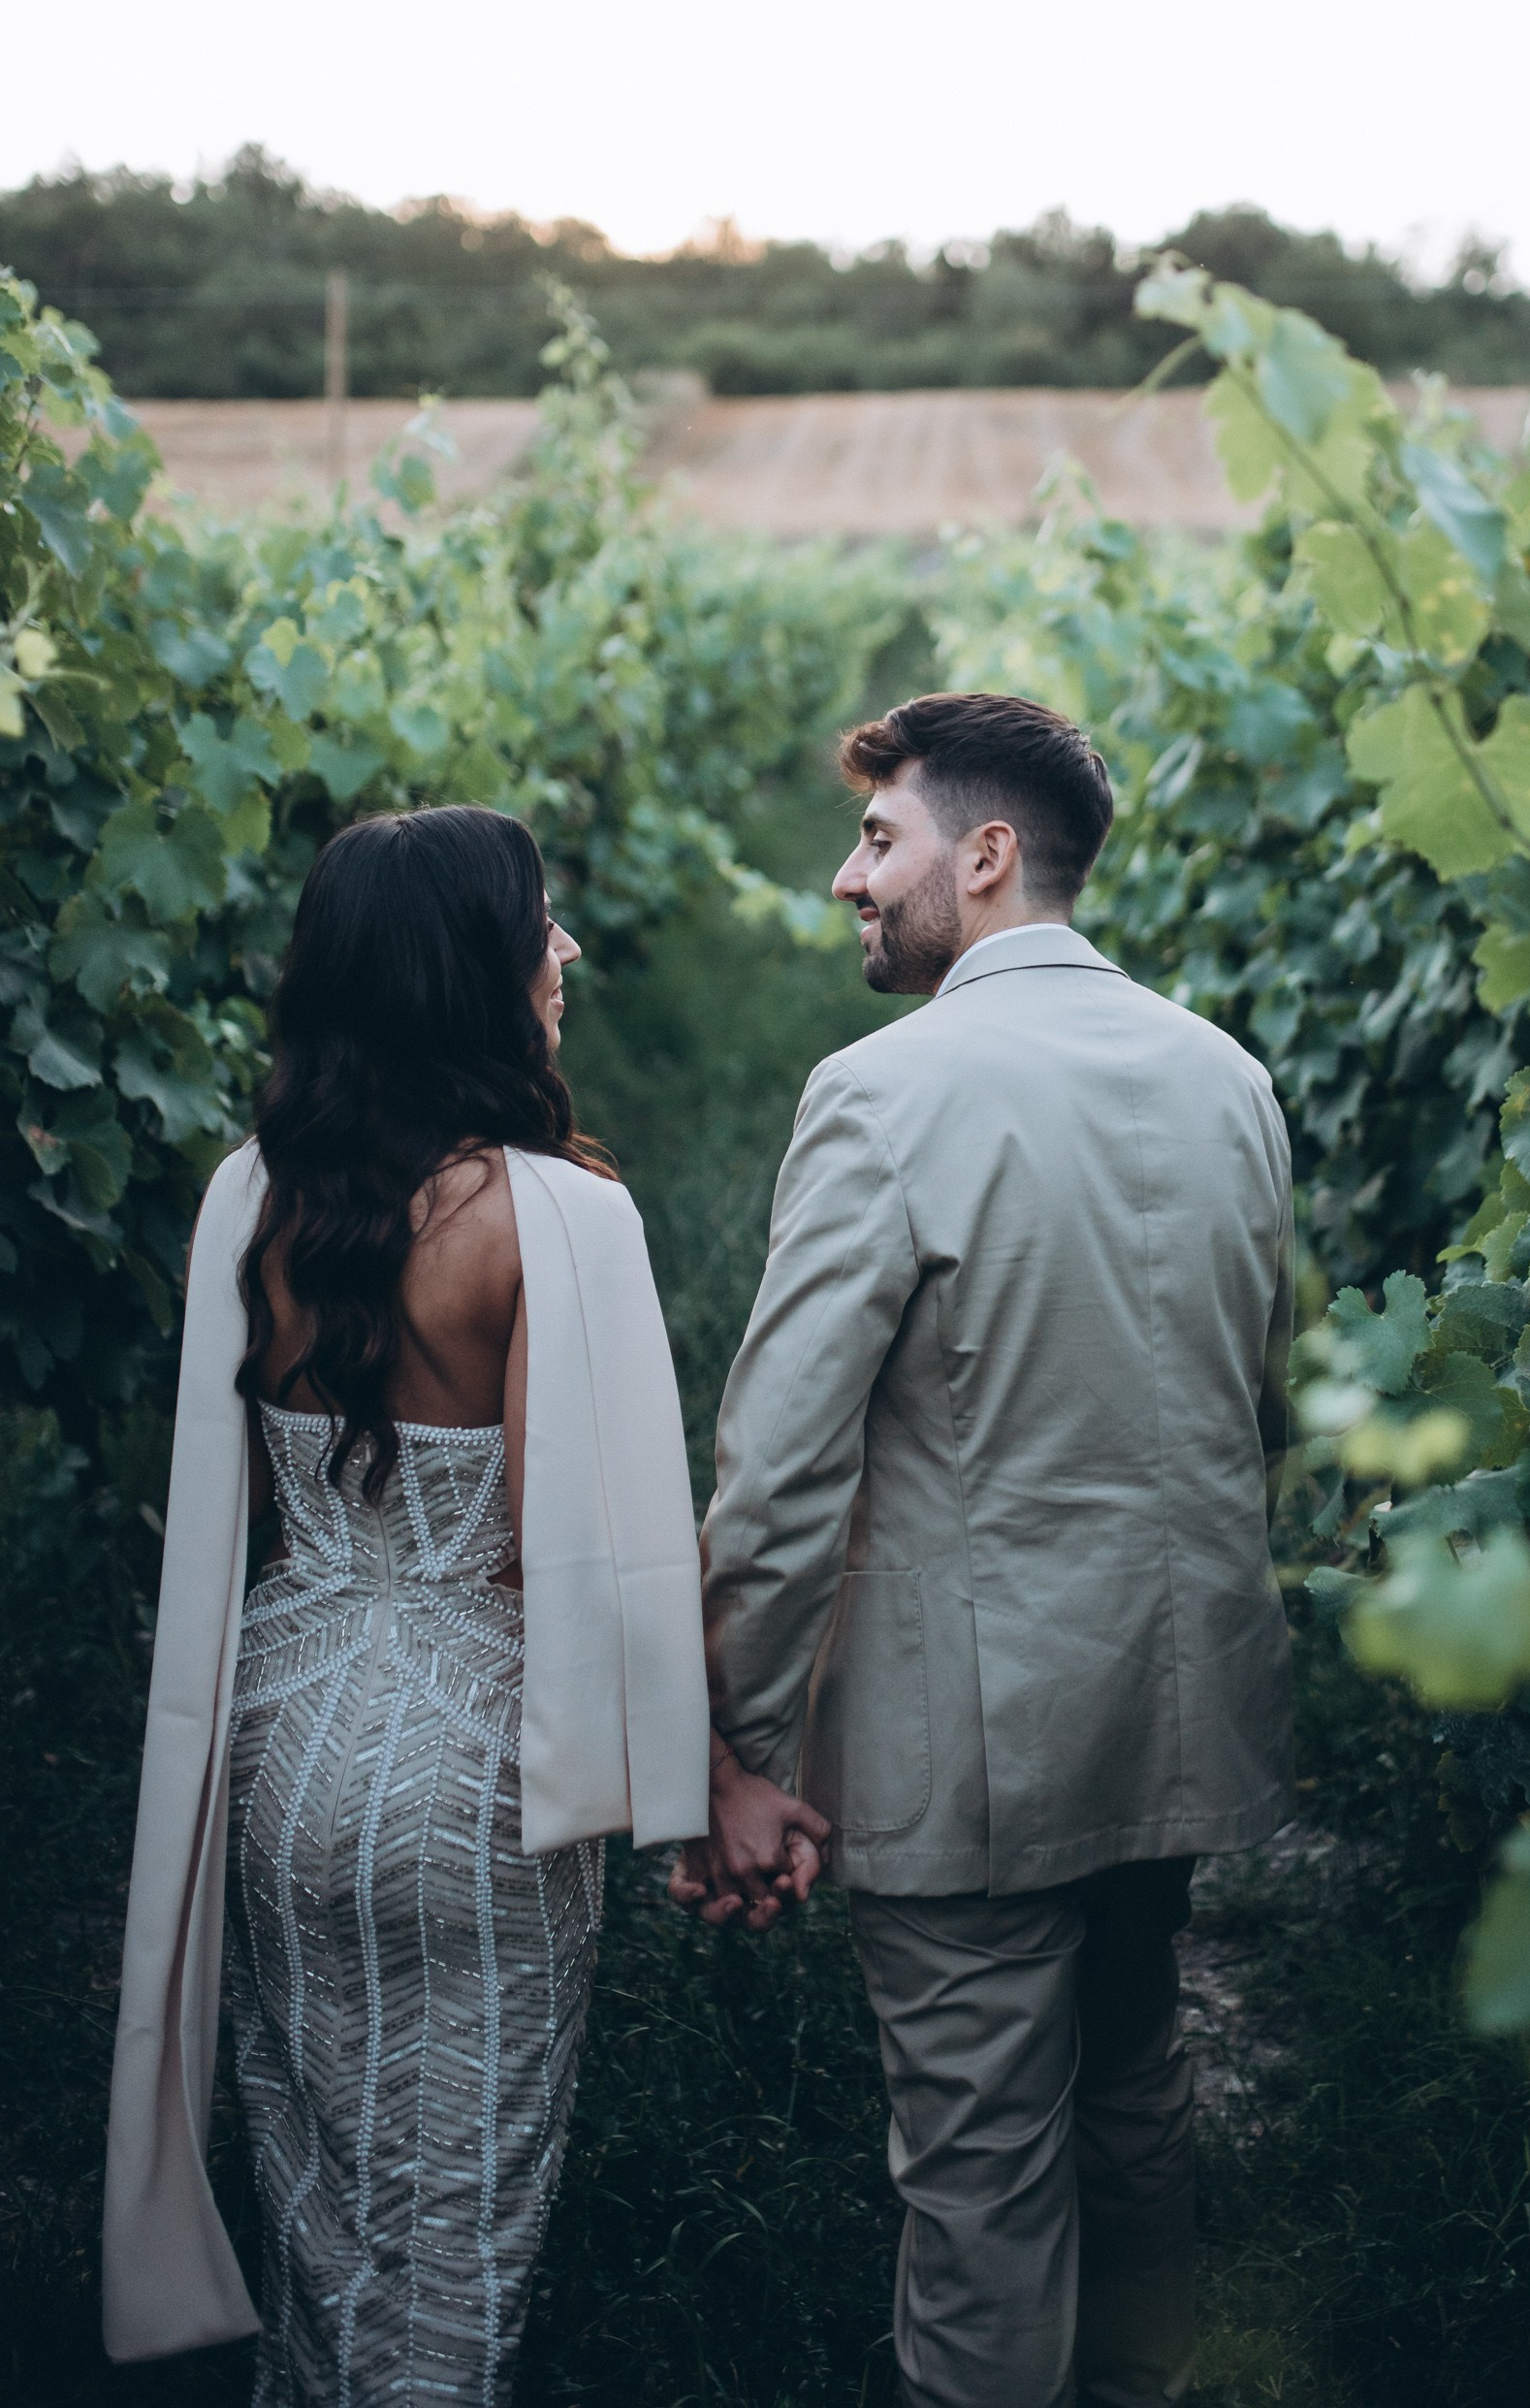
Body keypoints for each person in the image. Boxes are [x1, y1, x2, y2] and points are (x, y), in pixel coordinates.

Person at [103, 804, 823, 2402]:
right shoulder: (558, 1217)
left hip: (283, 1732)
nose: (564, 952)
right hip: (475, 1765)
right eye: (541, 925)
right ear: (466, 970)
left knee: (315, 2184)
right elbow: (603, 1549)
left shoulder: (250, 1197)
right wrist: (708, 1784)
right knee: (456, 2215)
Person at [680, 693, 1296, 2408]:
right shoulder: (1229, 1078)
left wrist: (733, 1749)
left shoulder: (882, 1094)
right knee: (1134, 2086)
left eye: (880, 839)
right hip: (1172, 1711)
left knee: (978, 2178)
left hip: (975, 1742)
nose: (844, 878)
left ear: (989, 853)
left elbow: (785, 1468)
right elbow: (1259, 1396)